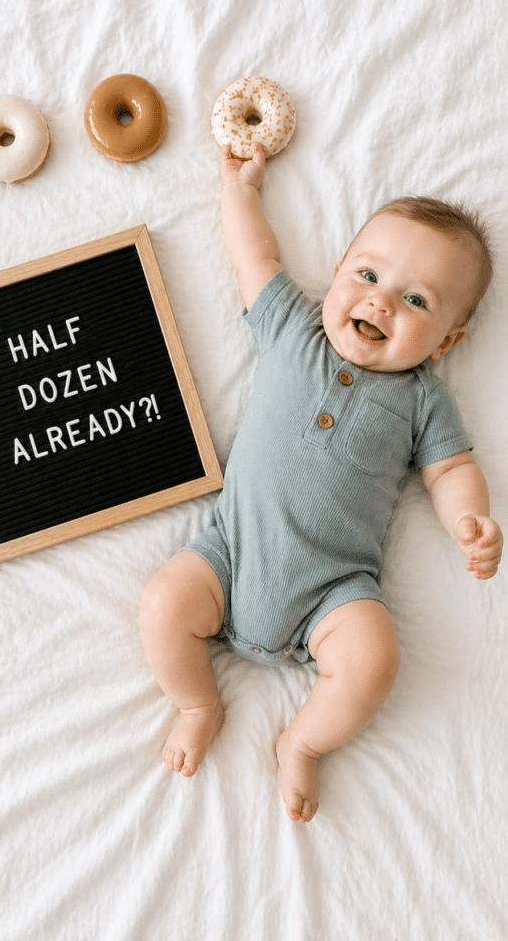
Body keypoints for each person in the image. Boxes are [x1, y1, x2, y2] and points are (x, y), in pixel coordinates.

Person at [139, 142, 503, 823]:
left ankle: (302, 743)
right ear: (335, 274)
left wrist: (468, 521)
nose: (379, 301)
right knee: (163, 603)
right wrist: (239, 192)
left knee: (374, 660)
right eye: (365, 274)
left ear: (446, 342)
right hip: (229, 554)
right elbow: (256, 259)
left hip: (333, 593)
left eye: (415, 299)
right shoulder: (292, 328)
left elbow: (452, 468)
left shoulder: (423, 400)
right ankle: (196, 701)